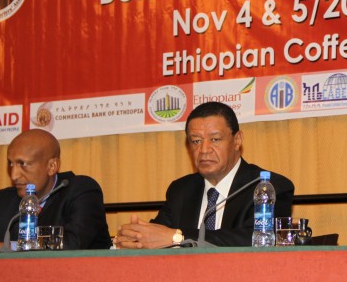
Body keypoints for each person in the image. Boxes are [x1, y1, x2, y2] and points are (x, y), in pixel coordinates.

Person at [114, 101, 295, 248]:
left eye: (215, 139)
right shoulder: (181, 190)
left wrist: (178, 237)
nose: (204, 150)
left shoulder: (268, 186)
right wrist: (136, 237)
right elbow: (159, 234)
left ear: (237, 140)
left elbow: (257, 240)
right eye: (196, 141)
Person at [0, 129, 112, 253]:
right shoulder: (5, 200)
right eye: (11, 164)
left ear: (52, 166)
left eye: (22, 164)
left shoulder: (81, 190)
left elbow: (71, 245)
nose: (15, 175)